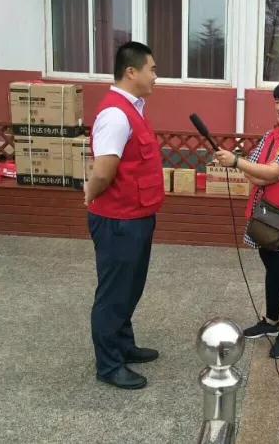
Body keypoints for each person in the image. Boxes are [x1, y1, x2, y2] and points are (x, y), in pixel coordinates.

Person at [84, 41, 165, 390]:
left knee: (130, 288)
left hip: (137, 216)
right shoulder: (115, 114)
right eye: (152, 69)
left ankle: (123, 345)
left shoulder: (134, 109)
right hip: (119, 221)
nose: (156, 76)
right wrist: (90, 193)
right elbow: (104, 171)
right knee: (114, 293)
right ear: (131, 72)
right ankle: (109, 365)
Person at [215, 79, 279, 359]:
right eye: (276, 101)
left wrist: (244, 165)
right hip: (264, 215)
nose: (278, 107)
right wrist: (262, 172)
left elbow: (270, 171)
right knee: (272, 268)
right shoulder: (272, 134)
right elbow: (257, 170)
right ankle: (270, 320)